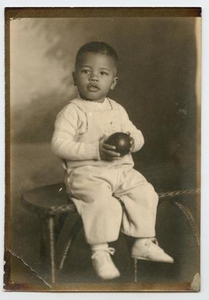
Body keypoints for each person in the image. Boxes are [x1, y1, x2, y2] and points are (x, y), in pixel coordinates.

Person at [51, 41, 174, 280]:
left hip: (120, 171)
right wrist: (95, 150)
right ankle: (99, 252)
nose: (94, 78)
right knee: (104, 202)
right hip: (87, 174)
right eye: (86, 72)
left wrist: (131, 140)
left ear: (113, 82)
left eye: (103, 73)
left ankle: (143, 242)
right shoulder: (72, 111)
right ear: (74, 77)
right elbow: (59, 145)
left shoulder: (118, 109)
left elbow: (138, 136)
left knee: (145, 192)